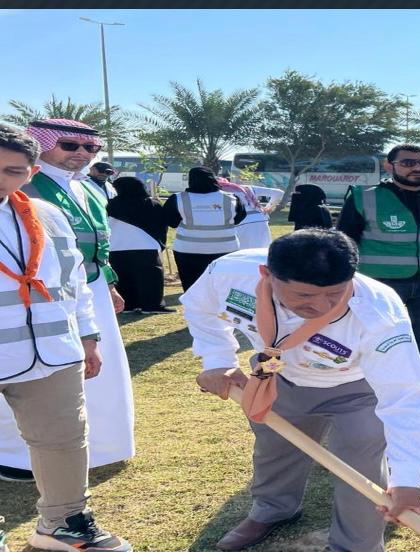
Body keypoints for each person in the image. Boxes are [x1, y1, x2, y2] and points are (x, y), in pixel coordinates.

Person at [181, 229, 420, 552]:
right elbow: (199, 307)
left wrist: (408, 479)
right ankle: (273, 510)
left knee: (361, 467)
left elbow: (405, 394)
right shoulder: (230, 274)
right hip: (276, 374)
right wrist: (217, 360)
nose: (322, 306)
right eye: (304, 296)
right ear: (267, 274)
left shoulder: (378, 313)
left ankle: (355, 545)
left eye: (335, 294)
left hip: (355, 389)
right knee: (274, 448)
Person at [0, 124, 131, 551]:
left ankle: (62, 525)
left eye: (13, 171)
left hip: (51, 354)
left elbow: (74, 283)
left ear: (31, 172)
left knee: (63, 440)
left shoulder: (48, 216)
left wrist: (88, 336)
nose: (1, 180)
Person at [337, 144, 420, 422]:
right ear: (390, 166)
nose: (418, 168)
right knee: (375, 340)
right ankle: (370, 399)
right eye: (409, 163)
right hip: (380, 285)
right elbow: (343, 241)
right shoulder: (365, 197)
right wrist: (340, 280)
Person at [163, 167, 246, 291]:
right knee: (223, 287)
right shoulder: (231, 198)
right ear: (213, 179)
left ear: (190, 180)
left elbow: (171, 222)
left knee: (192, 288)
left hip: (188, 251)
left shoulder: (178, 198)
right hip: (225, 249)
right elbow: (239, 218)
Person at [107, 175, 172, 314]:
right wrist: (160, 243)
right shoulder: (151, 203)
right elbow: (161, 224)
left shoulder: (110, 204)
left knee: (123, 277)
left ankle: (128, 306)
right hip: (146, 246)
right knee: (150, 278)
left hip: (116, 245)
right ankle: (151, 306)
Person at [218, 176, 284, 248]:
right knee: (262, 250)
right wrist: (268, 208)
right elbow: (279, 193)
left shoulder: (218, 192)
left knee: (241, 252)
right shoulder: (247, 188)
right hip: (260, 219)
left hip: (239, 222)